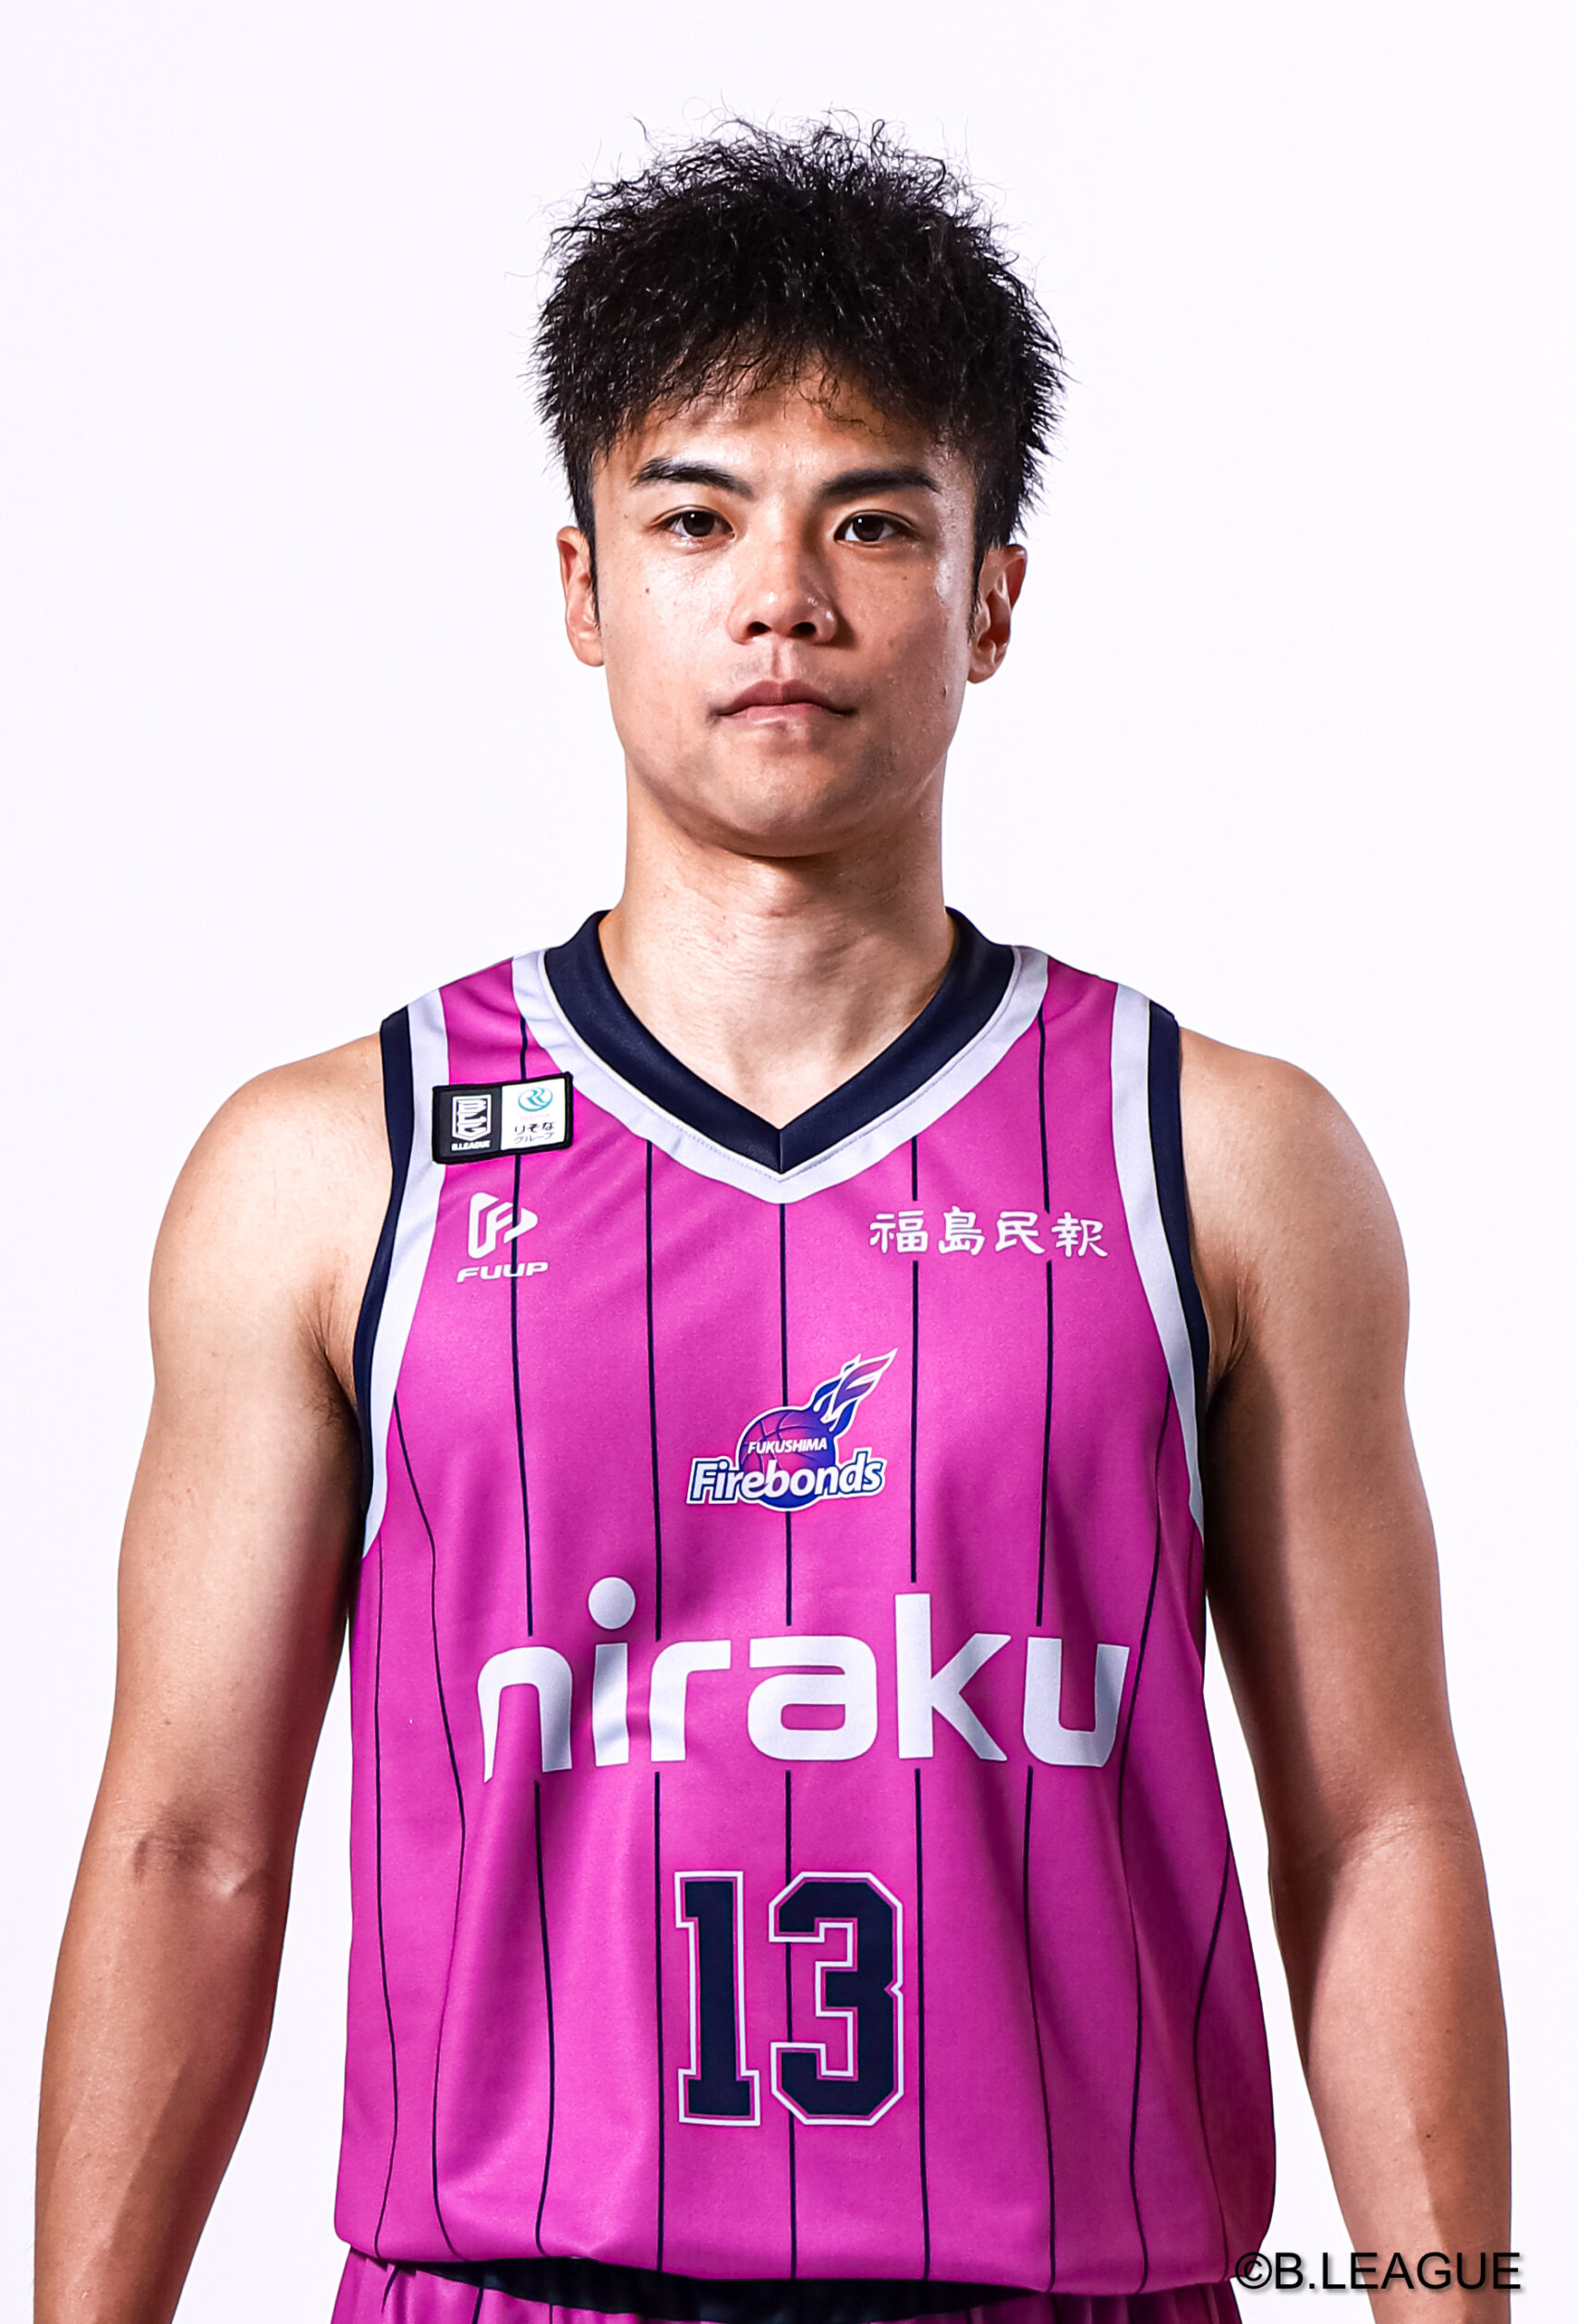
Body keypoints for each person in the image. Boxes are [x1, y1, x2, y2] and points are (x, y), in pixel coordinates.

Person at [35, 123, 1509, 2324]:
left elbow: (1371, 1824)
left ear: (990, 595)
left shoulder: (1218, 1155)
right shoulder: (335, 1166)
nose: (781, 596)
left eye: (873, 521)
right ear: (581, 585)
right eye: (696, 516)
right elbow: (189, 1843)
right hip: (509, 2286)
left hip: (1066, 2289)